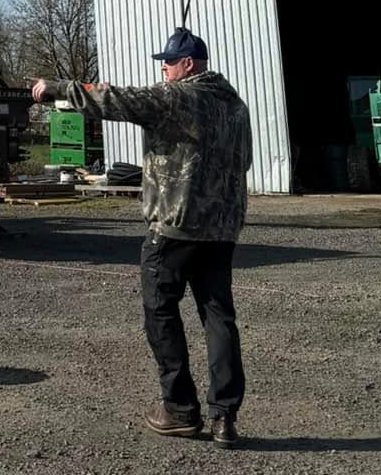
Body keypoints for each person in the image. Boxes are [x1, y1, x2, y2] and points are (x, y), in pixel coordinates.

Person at [31, 27, 252, 448]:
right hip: (222, 228)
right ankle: (225, 416)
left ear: (188, 64)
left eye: (168, 63)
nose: (164, 70)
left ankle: (179, 408)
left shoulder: (176, 97)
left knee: (160, 310)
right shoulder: (236, 106)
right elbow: (244, 162)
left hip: (174, 225)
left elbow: (114, 99)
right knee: (219, 317)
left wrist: (55, 88)